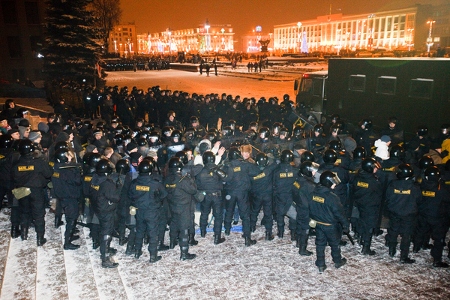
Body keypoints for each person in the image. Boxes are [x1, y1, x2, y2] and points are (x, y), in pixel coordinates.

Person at [13, 139, 53, 245]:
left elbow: (13, 178)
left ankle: (24, 234)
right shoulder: (39, 162)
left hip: (22, 191)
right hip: (36, 191)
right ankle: (40, 238)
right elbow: (48, 174)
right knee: (39, 214)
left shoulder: (16, 164)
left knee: (24, 212)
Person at [309, 171, 349, 273]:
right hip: (330, 225)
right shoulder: (332, 197)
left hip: (318, 224)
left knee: (320, 244)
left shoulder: (313, 193)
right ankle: (337, 260)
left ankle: (320, 263)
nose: (335, 184)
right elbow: (339, 213)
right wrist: (345, 225)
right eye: (333, 182)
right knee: (335, 244)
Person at [128, 160, 168, 263]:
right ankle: (153, 256)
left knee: (139, 231)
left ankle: (137, 251)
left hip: (139, 211)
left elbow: (130, 195)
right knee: (153, 233)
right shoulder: (155, 184)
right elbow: (164, 195)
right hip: (152, 211)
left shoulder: (134, 183)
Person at [413, 166, 449, 267]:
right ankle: (437, 259)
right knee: (439, 238)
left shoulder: (421, 186)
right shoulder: (442, 189)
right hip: (437, 217)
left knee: (420, 231)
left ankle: (416, 246)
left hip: (423, 214)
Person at [90, 159, 122, 268]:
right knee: (106, 233)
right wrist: (118, 188)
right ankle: (105, 258)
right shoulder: (107, 183)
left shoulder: (95, 178)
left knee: (103, 229)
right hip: (106, 210)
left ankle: (106, 249)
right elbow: (116, 198)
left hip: (97, 208)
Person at [385, 164, 420, 264]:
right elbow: (419, 200)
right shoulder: (414, 187)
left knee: (393, 231)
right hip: (409, 214)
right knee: (406, 236)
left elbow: (388, 197)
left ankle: (392, 249)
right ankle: (404, 256)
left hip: (394, 212)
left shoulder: (393, 184)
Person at [165, 157, 197, 260]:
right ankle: (184, 253)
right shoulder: (183, 179)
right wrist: (190, 179)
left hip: (172, 205)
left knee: (174, 224)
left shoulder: (167, 179)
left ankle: (172, 242)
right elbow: (193, 190)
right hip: (183, 206)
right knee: (184, 229)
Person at [52, 148, 82, 250]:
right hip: (70, 197)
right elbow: (77, 181)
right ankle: (67, 242)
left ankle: (70, 234)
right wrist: (76, 171)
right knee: (72, 218)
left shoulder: (56, 168)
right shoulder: (68, 171)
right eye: (69, 156)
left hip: (62, 197)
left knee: (69, 217)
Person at [351, 158, 383, 255]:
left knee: (361, 223)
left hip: (359, 204)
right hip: (370, 207)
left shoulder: (357, 177)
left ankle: (360, 238)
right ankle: (366, 247)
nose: (376, 169)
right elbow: (379, 194)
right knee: (369, 227)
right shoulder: (374, 181)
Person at [195, 151, 227, 244]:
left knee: (204, 214)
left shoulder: (200, 170)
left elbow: (197, 184)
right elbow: (225, 178)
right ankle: (217, 237)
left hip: (205, 195)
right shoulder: (217, 169)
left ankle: (203, 232)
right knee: (218, 216)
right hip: (217, 195)